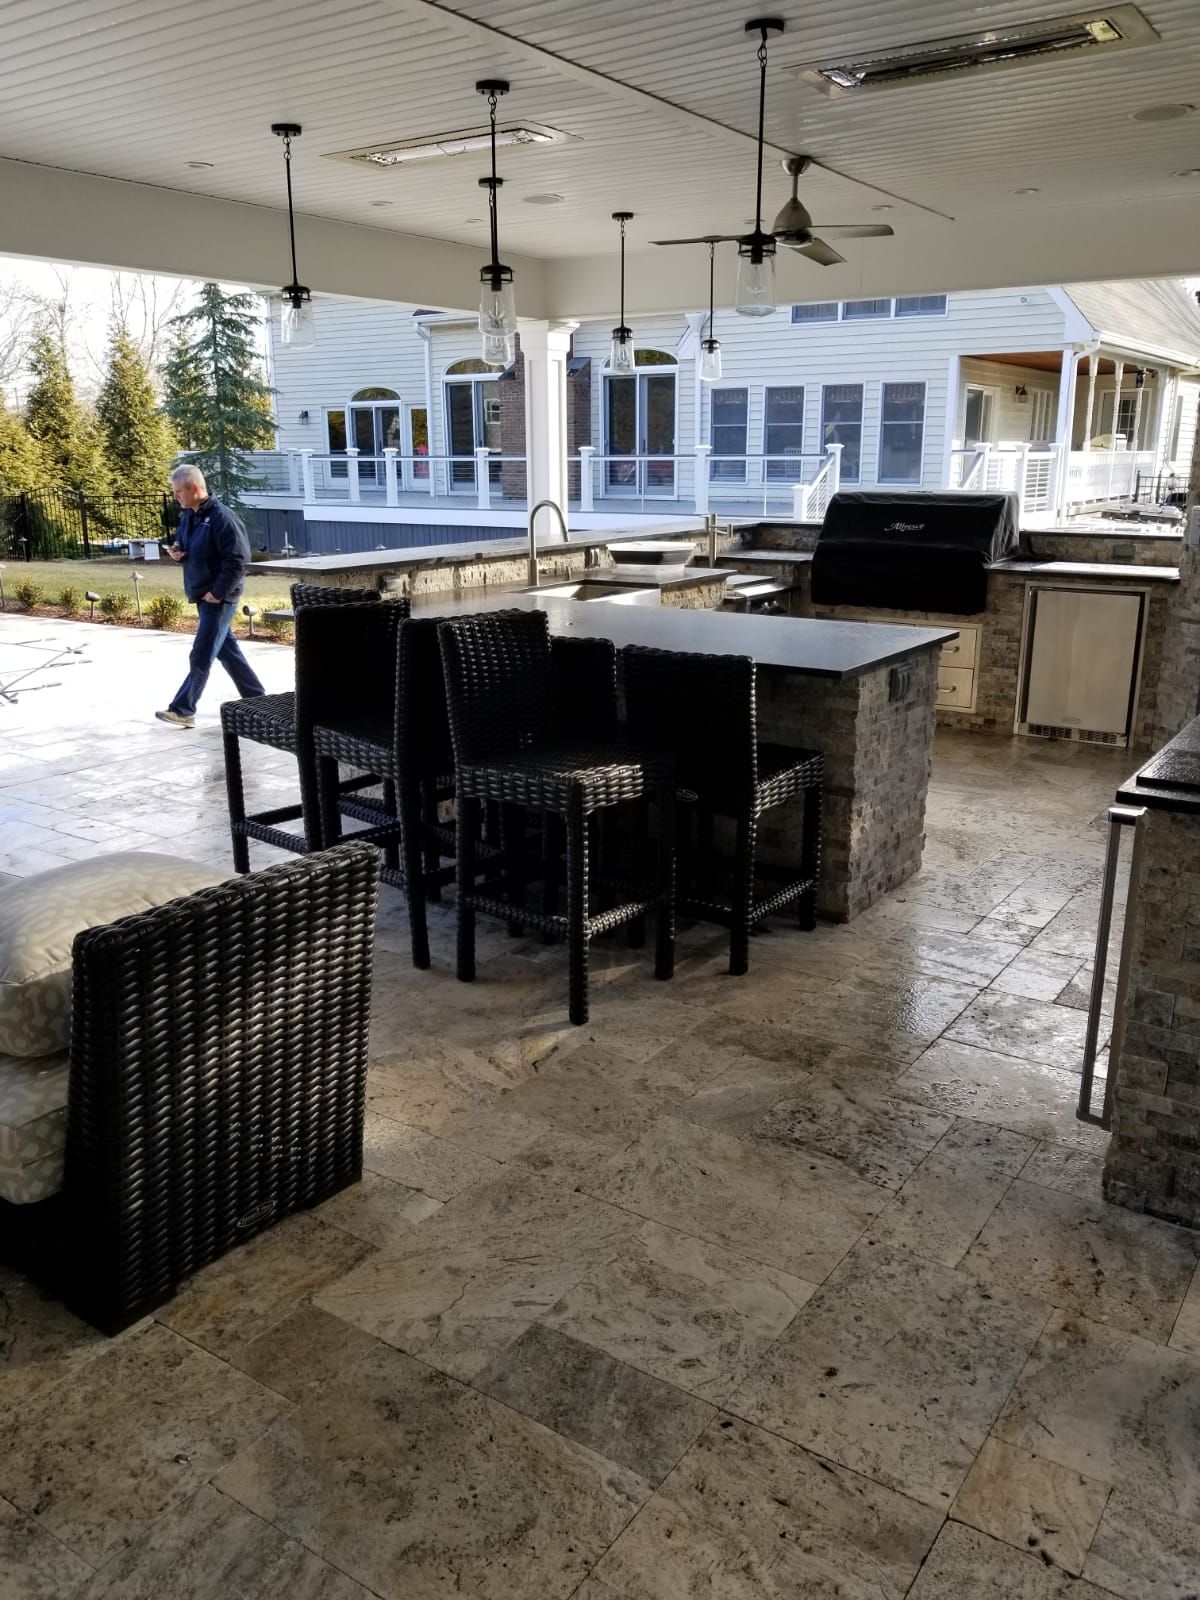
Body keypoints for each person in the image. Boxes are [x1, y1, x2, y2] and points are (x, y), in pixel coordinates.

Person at [156, 464, 265, 727]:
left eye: (178, 492)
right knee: (228, 653)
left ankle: (183, 710)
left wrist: (217, 593)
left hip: (218, 598)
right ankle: (259, 700)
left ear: (194, 488)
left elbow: (238, 560)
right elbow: (185, 543)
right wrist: (178, 551)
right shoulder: (189, 516)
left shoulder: (222, 518)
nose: (175, 497)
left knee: (202, 653)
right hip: (202, 595)